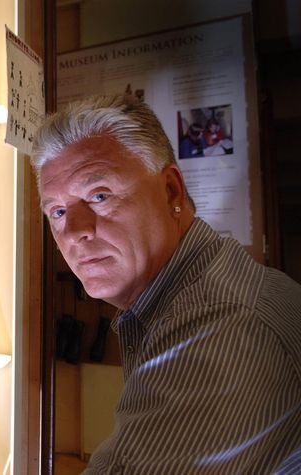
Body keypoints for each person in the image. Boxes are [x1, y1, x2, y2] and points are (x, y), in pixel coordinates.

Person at [31, 94, 301, 473]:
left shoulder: (218, 326)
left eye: (99, 195)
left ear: (171, 190)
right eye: (57, 212)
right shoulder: (204, 286)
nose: (74, 232)